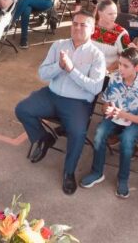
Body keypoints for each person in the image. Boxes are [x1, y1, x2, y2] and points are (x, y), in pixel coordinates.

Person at [15, 11, 106, 195]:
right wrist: (59, 66)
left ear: (93, 29)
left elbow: (96, 87)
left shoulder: (97, 55)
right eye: (75, 23)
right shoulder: (58, 45)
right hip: (51, 95)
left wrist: (71, 69)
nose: (77, 28)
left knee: (78, 133)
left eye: (83, 25)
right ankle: (44, 137)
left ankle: (69, 172)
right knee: (22, 109)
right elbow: (42, 73)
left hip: (77, 103)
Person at [80, 46, 138, 198]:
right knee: (100, 133)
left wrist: (123, 114)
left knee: (127, 141)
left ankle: (123, 179)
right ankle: (97, 172)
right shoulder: (114, 78)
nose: (120, 68)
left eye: (125, 66)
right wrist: (107, 110)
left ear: (137, 67)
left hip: (135, 121)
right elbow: (105, 102)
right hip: (115, 117)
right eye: (120, 64)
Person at [90, 0, 131, 71]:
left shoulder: (122, 34)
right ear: (100, 13)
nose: (114, 16)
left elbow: (126, 58)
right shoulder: (90, 27)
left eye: (115, 13)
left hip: (108, 73)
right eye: (110, 14)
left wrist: (106, 72)